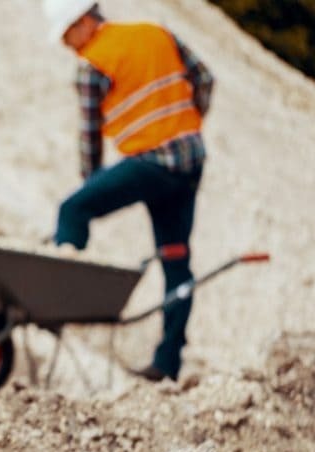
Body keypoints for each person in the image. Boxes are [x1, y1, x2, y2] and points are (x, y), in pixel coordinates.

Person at [42, 0, 214, 382]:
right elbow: (204, 79)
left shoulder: (93, 65)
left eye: (68, 35)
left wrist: (91, 187)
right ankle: (167, 364)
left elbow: (89, 137)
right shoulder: (155, 33)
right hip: (189, 163)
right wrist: (185, 128)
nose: (68, 45)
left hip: (152, 164)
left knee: (72, 210)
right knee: (175, 259)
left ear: (84, 21)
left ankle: (55, 303)